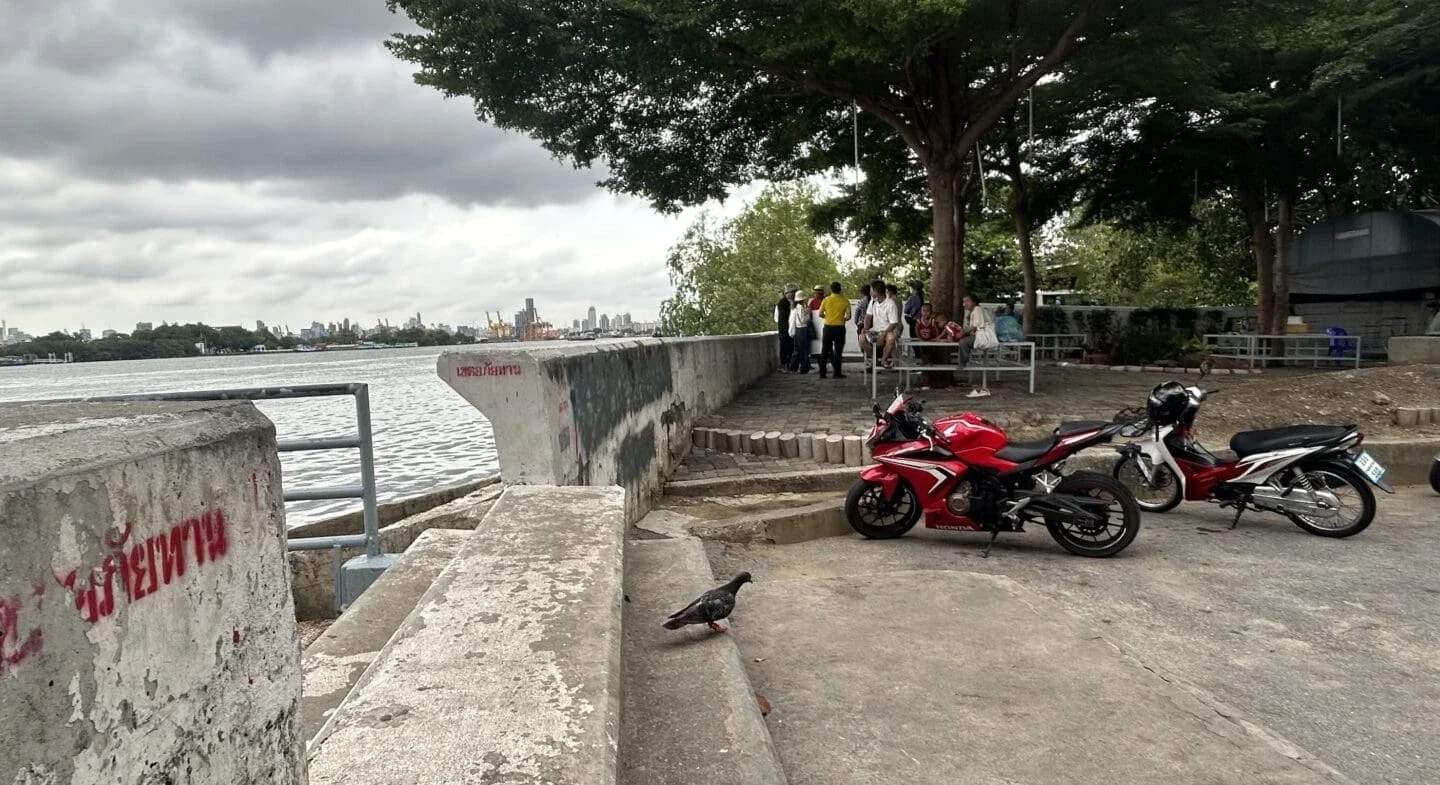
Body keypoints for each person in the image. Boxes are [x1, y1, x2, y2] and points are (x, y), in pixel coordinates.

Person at [859, 278, 902, 371]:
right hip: (875, 330)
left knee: (890, 338)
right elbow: (868, 316)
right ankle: (874, 360)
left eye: (871, 290)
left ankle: (884, 360)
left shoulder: (891, 304)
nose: (870, 292)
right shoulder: (873, 301)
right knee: (861, 338)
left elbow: (894, 323)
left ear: (876, 291)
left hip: (889, 329)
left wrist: (884, 333)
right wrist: (865, 328)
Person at [819, 281, 851, 379]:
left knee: (825, 350)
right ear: (840, 289)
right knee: (838, 351)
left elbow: (820, 314)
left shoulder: (826, 300)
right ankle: (837, 373)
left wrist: (828, 316)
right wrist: (842, 319)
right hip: (840, 328)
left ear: (831, 290)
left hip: (828, 327)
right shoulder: (845, 301)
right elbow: (848, 316)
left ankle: (822, 373)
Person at [955, 293, 993, 369]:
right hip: (978, 334)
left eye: (967, 301)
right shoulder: (973, 311)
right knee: (962, 340)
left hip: (982, 335)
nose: (964, 304)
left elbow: (975, 326)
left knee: (963, 342)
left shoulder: (977, 309)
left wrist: (962, 332)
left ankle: (962, 363)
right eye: (963, 302)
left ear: (974, 302)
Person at [787, 291, 814, 373]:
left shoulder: (795, 307)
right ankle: (804, 368)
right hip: (802, 329)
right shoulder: (800, 307)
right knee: (804, 350)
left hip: (797, 329)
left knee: (798, 350)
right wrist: (808, 314)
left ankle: (793, 367)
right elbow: (803, 320)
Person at [774, 283, 796, 370]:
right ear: (787, 293)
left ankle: (790, 365)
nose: (794, 294)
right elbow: (783, 317)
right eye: (792, 292)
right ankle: (784, 364)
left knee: (791, 347)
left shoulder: (793, 302)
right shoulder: (782, 303)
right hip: (784, 328)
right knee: (784, 347)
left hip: (791, 328)